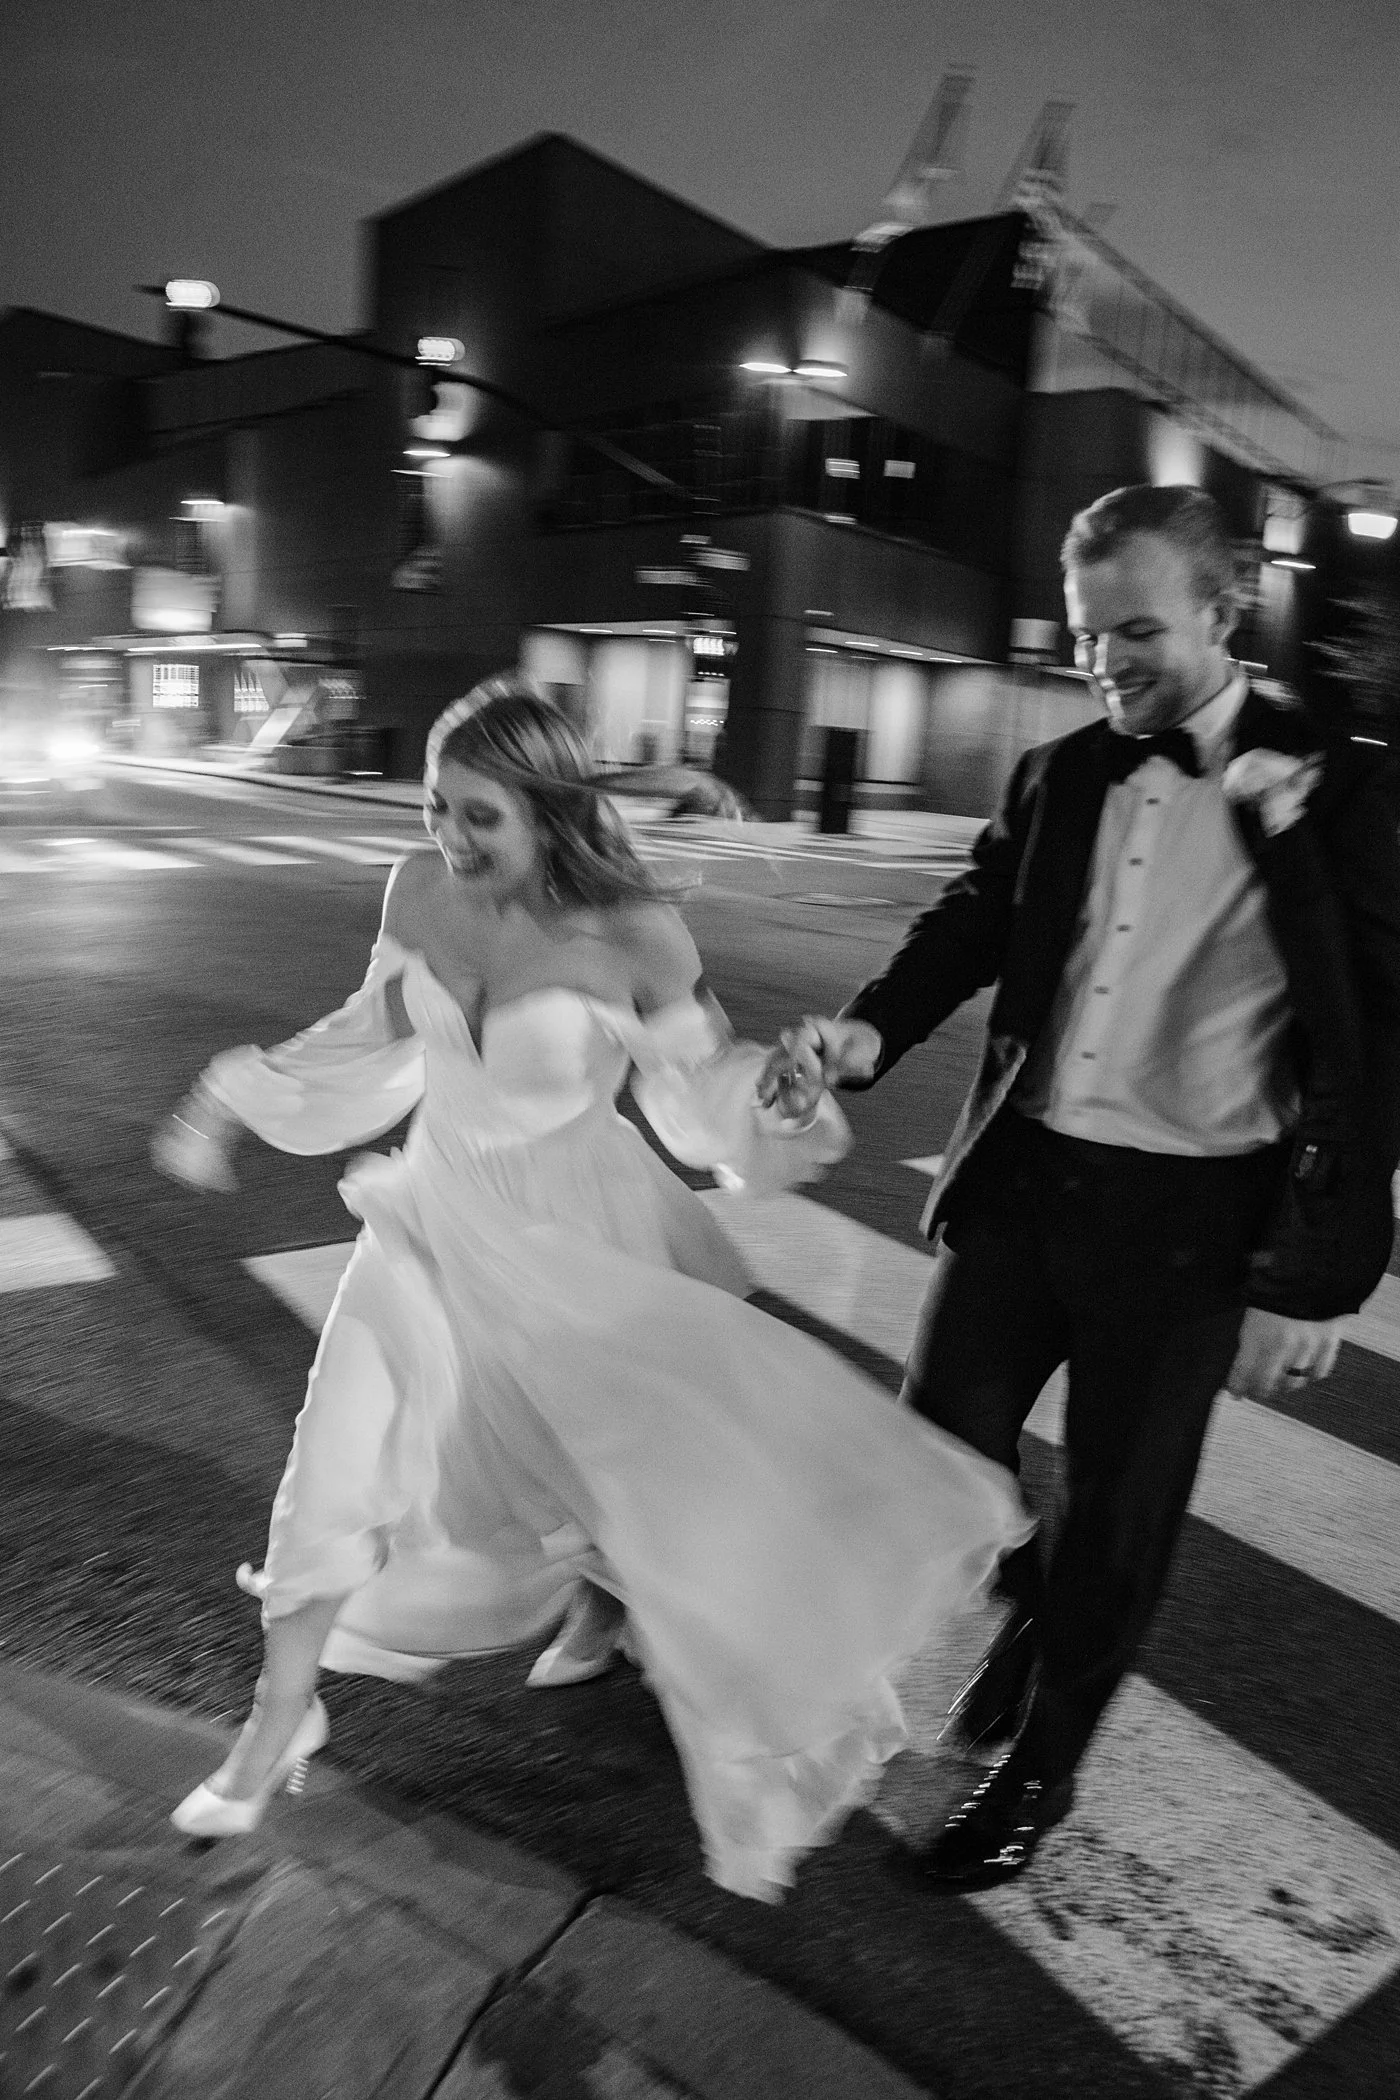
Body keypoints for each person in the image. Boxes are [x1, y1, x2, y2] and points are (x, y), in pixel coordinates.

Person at [152, 677, 1026, 1903]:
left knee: (616, 1480)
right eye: (434, 809)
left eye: (479, 820)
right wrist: (230, 1099)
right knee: (335, 1461)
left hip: (574, 1240)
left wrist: (768, 1101)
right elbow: (369, 1026)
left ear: (551, 816)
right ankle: (274, 1723)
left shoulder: (632, 935)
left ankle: (613, 1609)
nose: (449, 842)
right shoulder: (416, 889)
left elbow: (690, 1097)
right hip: (429, 1217)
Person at [761, 484, 1400, 1888]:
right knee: (941, 1460)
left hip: (1193, 1219)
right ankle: (1033, 1607)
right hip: (1027, 1183)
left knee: (1123, 1511)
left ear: (1226, 612)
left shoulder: (1338, 778)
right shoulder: (1061, 773)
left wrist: (1319, 1272)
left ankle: (1042, 1772)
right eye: (1084, 636)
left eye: (1137, 632)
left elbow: (1373, 1034)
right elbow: (979, 914)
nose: (1106, 662)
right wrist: (867, 1031)